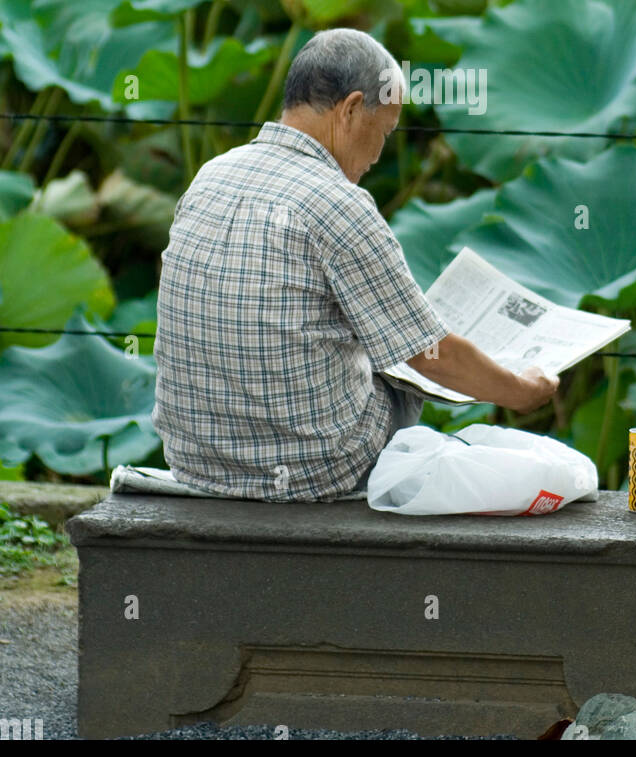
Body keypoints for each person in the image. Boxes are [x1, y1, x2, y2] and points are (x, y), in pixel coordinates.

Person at [152, 28, 557, 501]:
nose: (377, 155)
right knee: (400, 374)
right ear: (349, 109)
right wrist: (522, 390)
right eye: (384, 131)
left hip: (197, 465)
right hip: (311, 474)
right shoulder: (339, 203)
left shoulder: (210, 176)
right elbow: (432, 354)